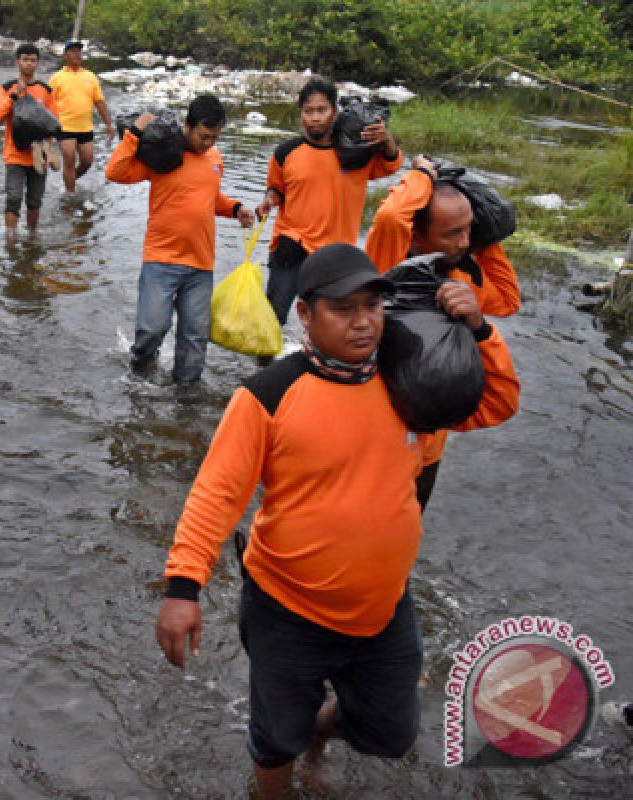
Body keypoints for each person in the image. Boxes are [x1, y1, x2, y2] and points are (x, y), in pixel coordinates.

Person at [154, 243, 520, 800]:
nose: (363, 322)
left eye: (373, 306)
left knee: (391, 734)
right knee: (275, 738)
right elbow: (215, 495)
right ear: (305, 313)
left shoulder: (410, 386)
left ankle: (318, 734)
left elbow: (496, 403)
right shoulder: (268, 395)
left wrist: (482, 330)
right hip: (286, 609)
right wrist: (184, 588)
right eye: (344, 308)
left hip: (382, 610)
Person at [365, 153, 521, 510]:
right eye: (452, 233)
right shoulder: (390, 269)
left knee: (405, 534)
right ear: (418, 236)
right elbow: (391, 216)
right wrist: (421, 174)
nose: (464, 242)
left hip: (428, 448)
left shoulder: (465, 282)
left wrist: (485, 237)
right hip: (376, 439)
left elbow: (509, 300)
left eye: (469, 230)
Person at [105, 94, 255, 388]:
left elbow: (210, 199)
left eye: (214, 137)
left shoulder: (214, 159)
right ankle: (139, 375)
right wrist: (134, 133)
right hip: (161, 258)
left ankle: (186, 396)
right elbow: (115, 172)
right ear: (187, 125)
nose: (208, 143)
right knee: (152, 329)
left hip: (200, 263)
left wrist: (235, 209)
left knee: (195, 336)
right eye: (204, 136)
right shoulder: (164, 154)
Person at [255, 77, 402, 330]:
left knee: (330, 324)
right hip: (291, 246)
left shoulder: (354, 153)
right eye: (308, 111)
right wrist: (268, 201)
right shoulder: (286, 152)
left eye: (321, 110)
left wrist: (387, 139)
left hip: (335, 254)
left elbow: (391, 164)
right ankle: (268, 365)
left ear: (334, 112)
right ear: (300, 114)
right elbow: (276, 189)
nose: (315, 118)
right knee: (271, 322)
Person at [0, 44, 58, 236]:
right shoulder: (6, 88)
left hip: (39, 154)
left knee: (35, 200)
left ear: (37, 63)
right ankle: (10, 240)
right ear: (18, 62)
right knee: (13, 197)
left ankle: (31, 236)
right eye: (25, 60)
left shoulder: (45, 90)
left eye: (33, 60)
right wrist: (14, 96)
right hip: (15, 154)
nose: (29, 64)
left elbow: (54, 122)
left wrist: (50, 148)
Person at [49, 40, 114, 192]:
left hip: (85, 127)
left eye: (79, 50)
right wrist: (49, 130)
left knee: (87, 162)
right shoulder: (56, 78)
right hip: (64, 126)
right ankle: (70, 194)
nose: (77, 53)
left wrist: (108, 125)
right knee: (69, 159)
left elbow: (99, 103)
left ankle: (69, 181)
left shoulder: (91, 77)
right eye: (72, 51)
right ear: (65, 55)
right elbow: (49, 104)